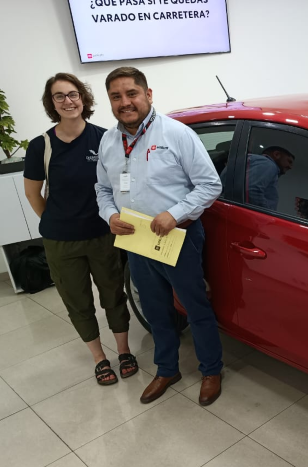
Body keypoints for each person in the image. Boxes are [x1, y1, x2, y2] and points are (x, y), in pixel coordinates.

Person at [95, 67, 224, 405]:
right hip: (136, 241)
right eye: (116, 97)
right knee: (155, 310)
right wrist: (110, 215)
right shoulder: (108, 141)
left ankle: (211, 370)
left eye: (131, 93)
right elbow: (102, 189)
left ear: (148, 94)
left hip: (178, 237)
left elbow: (210, 185)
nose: (125, 102)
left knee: (195, 307)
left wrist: (175, 213)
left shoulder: (176, 134)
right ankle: (167, 369)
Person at [24, 73, 136, 386]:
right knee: (78, 302)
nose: (68, 101)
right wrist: (56, 221)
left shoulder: (106, 138)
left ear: (83, 99)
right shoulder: (41, 146)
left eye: (73, 94)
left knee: (114, 295)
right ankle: (99, 358)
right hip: (61, 241)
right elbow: (33, 193)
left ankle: (124, 351)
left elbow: (120, 183)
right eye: (59, 96)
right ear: (52, 103)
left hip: (103, 235)